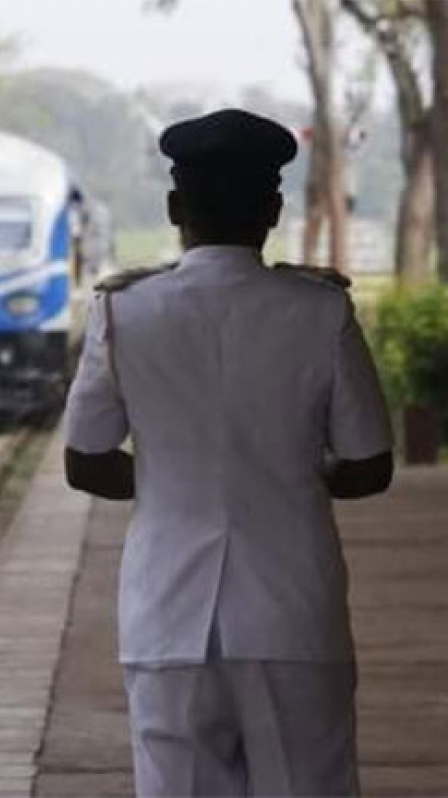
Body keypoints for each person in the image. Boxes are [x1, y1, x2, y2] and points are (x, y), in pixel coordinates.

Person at [62, 108, 394, 798]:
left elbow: (85, 459)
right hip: (292, 610)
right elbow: (370, 465)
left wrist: (167, 478)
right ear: (273, 209)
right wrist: (288, 472)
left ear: (175, 205)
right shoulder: (321, 310)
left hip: (166, 613)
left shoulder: (124, 311)